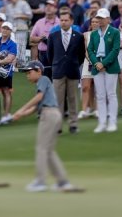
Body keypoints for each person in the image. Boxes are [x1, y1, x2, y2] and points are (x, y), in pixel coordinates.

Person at [13, 60, 77, 193]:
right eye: (26, 73)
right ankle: (62, 181)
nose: (27, 76)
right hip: (54, 115)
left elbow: (38, 97)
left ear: (39, 71)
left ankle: (40, 181)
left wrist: (21, 109)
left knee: (41, 149)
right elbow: (36, 108)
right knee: (49, 151)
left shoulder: (43, 79)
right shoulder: (42, 83)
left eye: (29, 72)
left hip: (49, 115)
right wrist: (20, 115)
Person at [46, 11, 86, 134]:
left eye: (66, 20)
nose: (63, 22)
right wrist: (56, 64)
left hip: (72, 71)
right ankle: (57, 126)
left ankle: (73, 124)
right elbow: (50, 54)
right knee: (58, 100)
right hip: (58, 71)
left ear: (71, 21)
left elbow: (81, 55)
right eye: (61, 20)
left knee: (73, 99)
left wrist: (74, 64)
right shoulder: (53, 36)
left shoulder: (78, 36)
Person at [87, 9, 121, 133]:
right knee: (100, 96)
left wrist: (104, 63)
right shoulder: (94, 34)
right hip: (97, 67)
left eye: (102, 18)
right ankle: (102, 123)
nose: (100, 20)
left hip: (110, 67)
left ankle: (112, 122)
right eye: (98, 18)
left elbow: (115, 50)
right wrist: (97, 63)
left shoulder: (115, 32)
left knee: (111, 94)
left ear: (108, 19)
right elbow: (90, 50)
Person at [0, 21, 18, 119]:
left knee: (6, 92)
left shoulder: (12, 44)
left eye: (7, 29)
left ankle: (6, 115)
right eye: (3, 28)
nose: (5, 30)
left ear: (10, 31)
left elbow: (10, 59)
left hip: (5, 72)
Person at [30, 0, 59, 79]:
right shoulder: (39, 22)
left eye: (51, 6)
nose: (48, 7)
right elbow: (31, 38)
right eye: (46, 6)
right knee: (44, 78)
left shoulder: (60, 22)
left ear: (56, 9)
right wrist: (40, 38)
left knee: (55, 79)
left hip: (56, 54)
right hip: (43, 55)